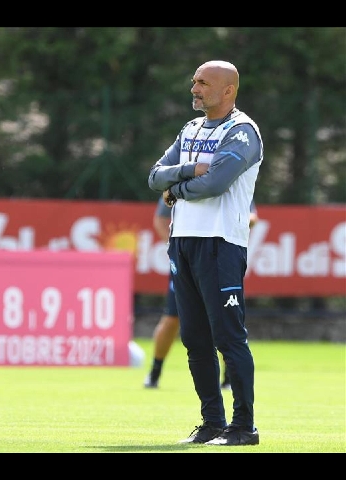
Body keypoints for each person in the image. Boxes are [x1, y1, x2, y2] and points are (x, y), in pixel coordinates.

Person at [147, 60, 263, 446]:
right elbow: (154, 176)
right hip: (182, 241)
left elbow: (215, 184)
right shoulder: (191, 129)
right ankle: (211, 423)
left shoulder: (242, 131)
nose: (194, 89)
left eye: (203, 83)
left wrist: (176, 189)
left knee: (228, 338)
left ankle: (243, 427)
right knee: (195, 339)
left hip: (220, 243)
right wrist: (191, 169)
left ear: (228, 90)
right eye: (194, 81)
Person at [144, 198, 258, 390]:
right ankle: (155, 371)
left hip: (220, 260)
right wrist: (175, 248)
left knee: (224, 319)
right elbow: (160, 219)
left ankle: (229, 377)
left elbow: (252, 216)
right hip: (187, 260)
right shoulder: (181, 183)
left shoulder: (231, 182)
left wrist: (232, 221)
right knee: (172, 318)